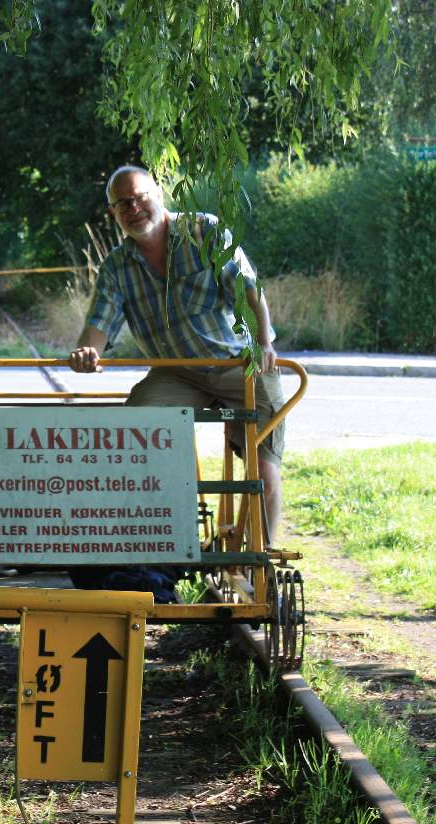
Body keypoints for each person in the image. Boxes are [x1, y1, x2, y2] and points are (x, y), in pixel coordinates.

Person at [68, 165, 286, 542]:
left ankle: (256, 558)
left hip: (237, 361)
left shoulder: (204, 231)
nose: (134, 208)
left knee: (262, 470)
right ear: (113, 214)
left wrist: (264, 342)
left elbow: (249, 289)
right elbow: (98, 327)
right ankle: (166, 535)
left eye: (140, 198)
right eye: (123, 204)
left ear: (159, 194)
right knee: (139, 422)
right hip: (176, 373)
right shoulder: (117, 267)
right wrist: (87, 353)